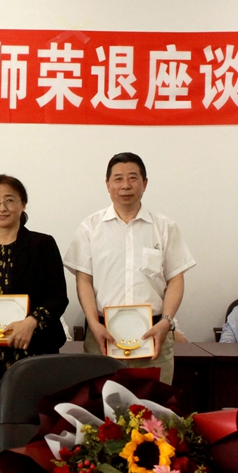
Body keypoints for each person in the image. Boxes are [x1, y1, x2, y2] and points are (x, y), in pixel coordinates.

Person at [64, 152, 195, 384]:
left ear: (145, 183)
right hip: (103, 335)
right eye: (118, 179)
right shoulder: (90, 227)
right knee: (101, 403)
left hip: (154, 335)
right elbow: (83, 280)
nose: (125, 185)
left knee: (152, 404)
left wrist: (166, 322)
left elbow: (176, 278)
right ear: (108, 184)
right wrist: (93, 324)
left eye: (133, 178)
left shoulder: (164, 227)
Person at [0, 174, 68, 408]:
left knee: (32, 417)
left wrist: (31, 322)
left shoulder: (42, 245)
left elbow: (58, 297)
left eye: (9, 200)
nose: (2, 207)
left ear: (23, 204)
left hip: (33, 351)